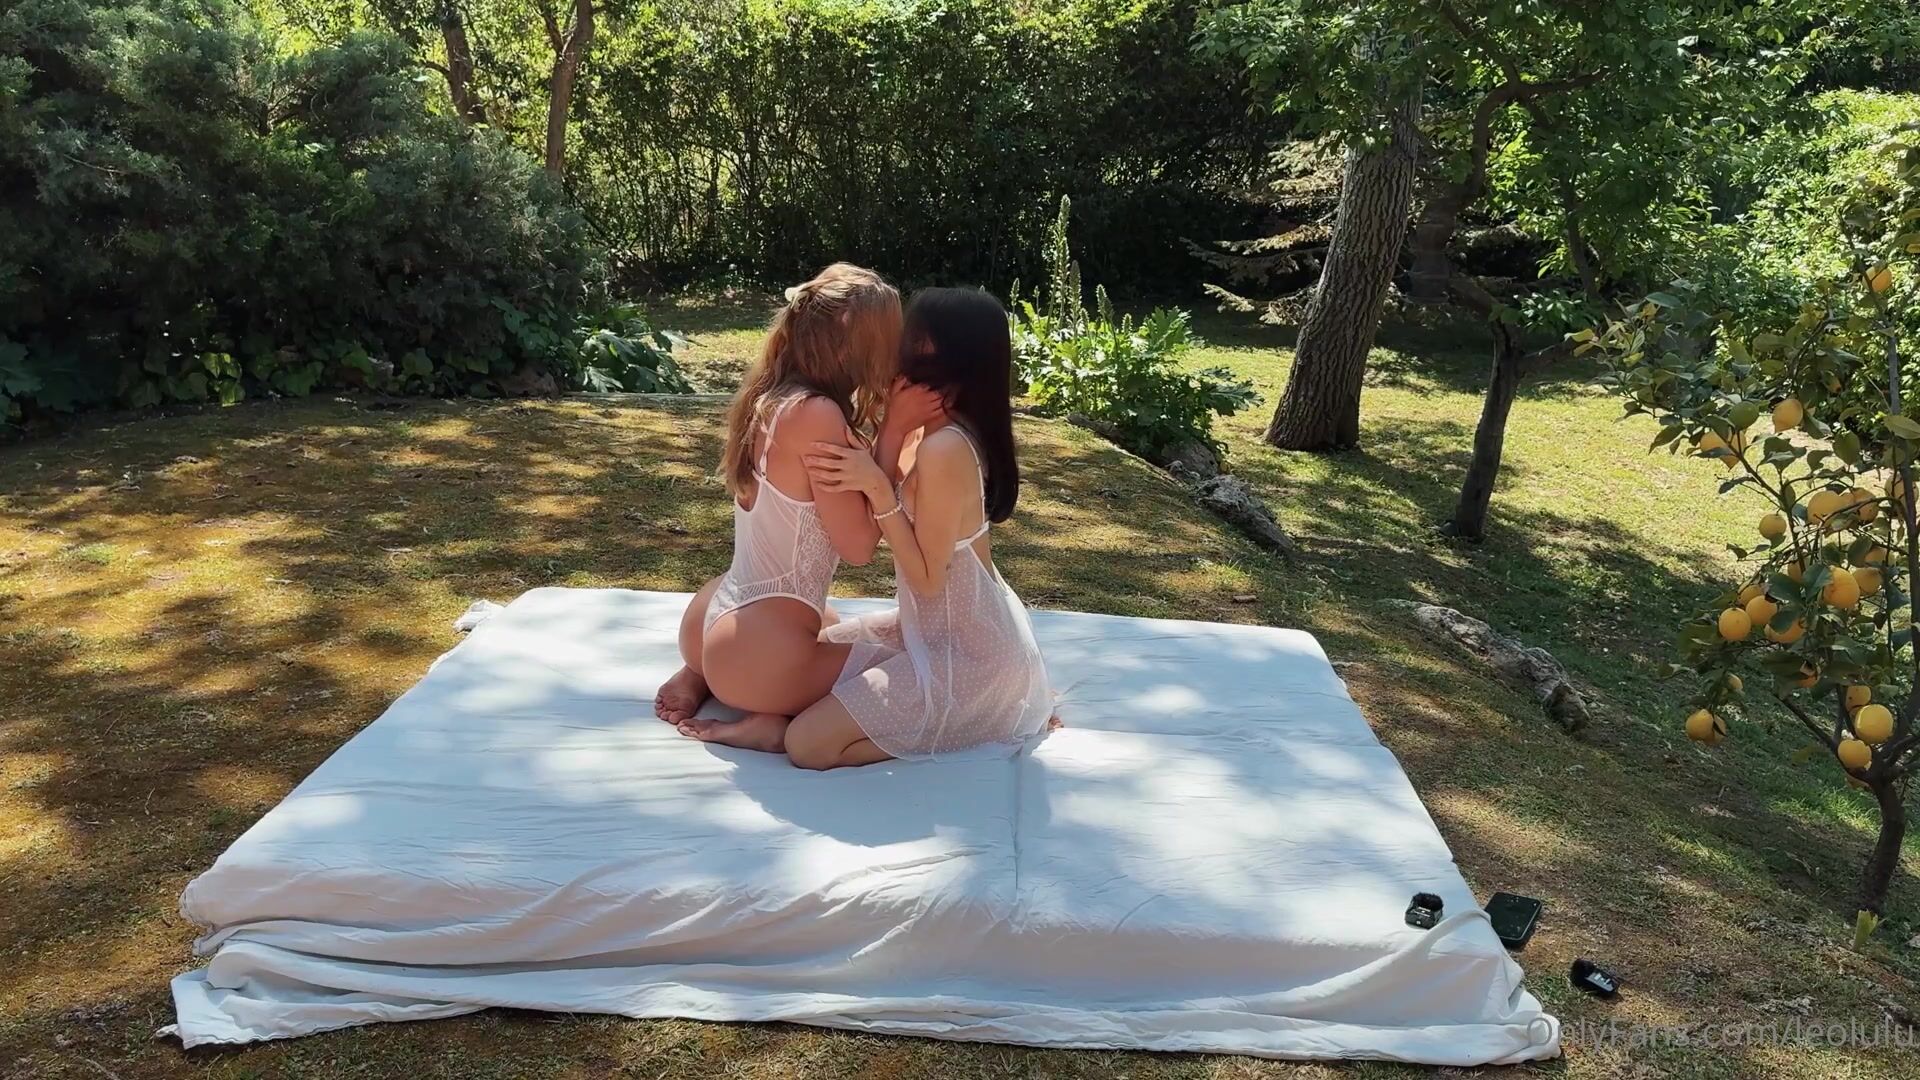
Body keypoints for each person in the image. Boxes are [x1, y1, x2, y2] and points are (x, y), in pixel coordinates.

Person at [677, 287, 1051, 769]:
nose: (897, 348)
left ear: (949, 355)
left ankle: (979, 714)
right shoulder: (922, 434)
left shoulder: (944, 449)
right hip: (927, 630)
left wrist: (877, 488)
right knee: (827, 646)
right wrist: (887, 444)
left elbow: (928, 579)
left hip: (967, 654)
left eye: (912, 338)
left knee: (808, 745)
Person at [653, 264, 937, 723]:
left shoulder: (771, 395)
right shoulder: (816, 413)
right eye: (889, 338)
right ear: (851, 342)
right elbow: (859, 546)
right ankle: (767, 724)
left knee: (829, 620)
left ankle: (699, 674)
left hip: (713, 618)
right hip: (754, 653)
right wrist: (895, 430)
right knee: (927, 670)